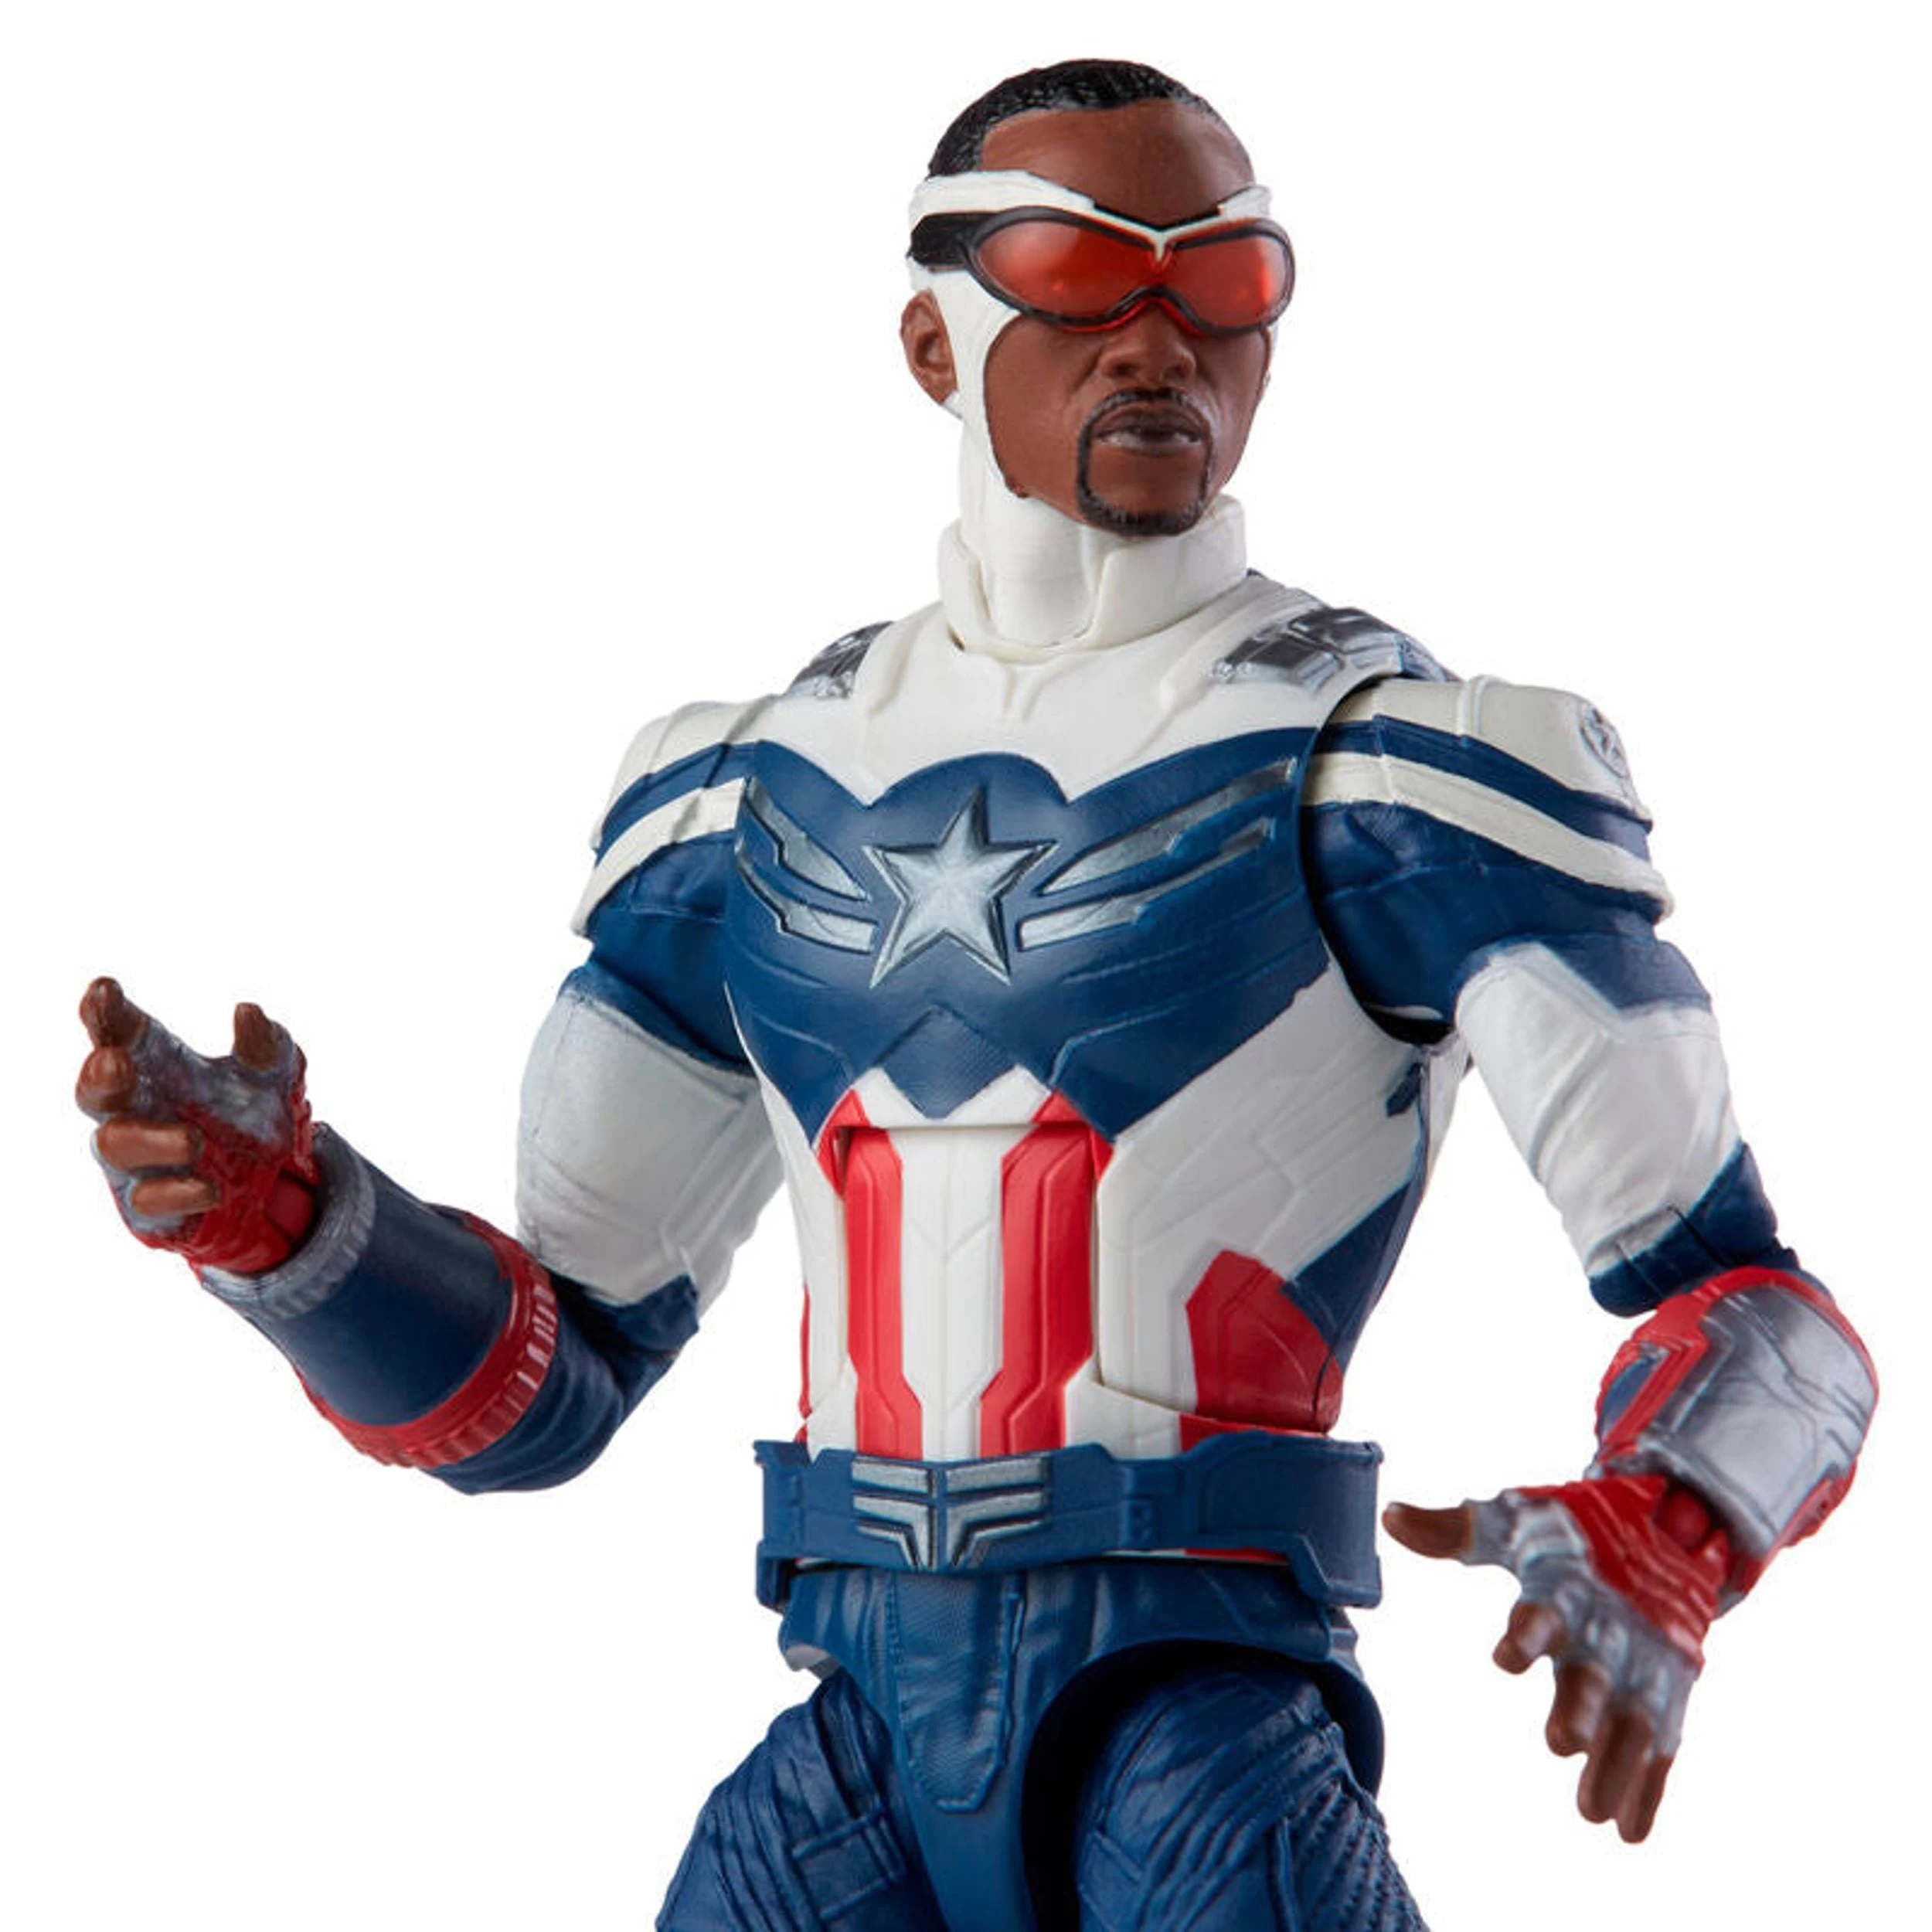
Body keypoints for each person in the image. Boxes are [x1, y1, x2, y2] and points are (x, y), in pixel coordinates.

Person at [75, 59, 1874, 1932]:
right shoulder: (743, 797)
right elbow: (547, 1381)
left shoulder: (1401, 771)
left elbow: (1754, 1300)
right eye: (1080, 273)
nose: (1155, 341)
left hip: (1194, 1723)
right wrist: (299, 1230)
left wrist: (1673, 1514)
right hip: (855, 1729)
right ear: (935, 340)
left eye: (1221, 282)